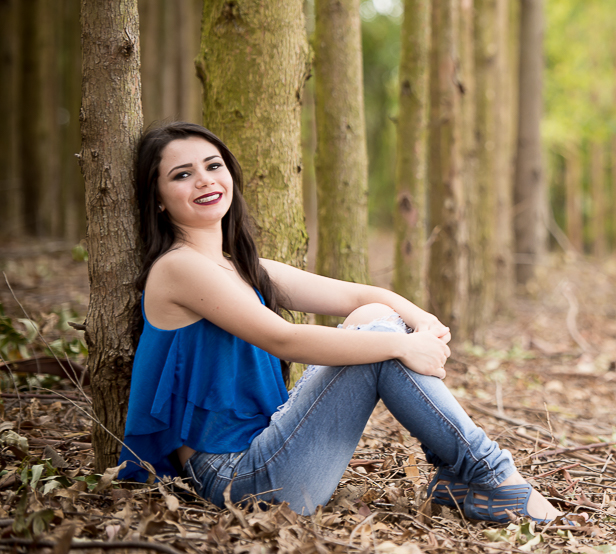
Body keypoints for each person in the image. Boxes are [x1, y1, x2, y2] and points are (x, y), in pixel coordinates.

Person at [117, 121, 562, 523]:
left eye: (213, 165)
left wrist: (425, 322)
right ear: (157, 199)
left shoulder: (237, 267)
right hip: (240, 481)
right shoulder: (179, 268)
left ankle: (463, 479)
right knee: (383, 341)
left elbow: (358, 296)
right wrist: (402, 345)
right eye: (182, 174)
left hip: (268, 449)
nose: (205, 180)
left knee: (375, 318)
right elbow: (284, 339)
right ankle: (490, 475)